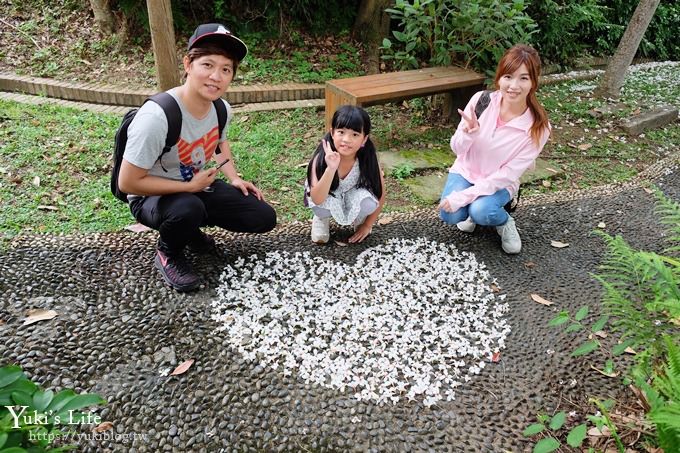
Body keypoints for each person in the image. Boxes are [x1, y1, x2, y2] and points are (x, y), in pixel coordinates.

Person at [118, 23, 276, 291]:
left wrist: (234, 178)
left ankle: (188, 229)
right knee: (188, 209)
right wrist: (189, 188)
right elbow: (128, 183)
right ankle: (169, 252)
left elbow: (220, 143)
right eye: (207, 65)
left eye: (226, 69)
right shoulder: (157, 117)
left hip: (195, 185)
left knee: (262, 216)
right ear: (188, 64)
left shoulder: (221, 109)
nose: (216, 76)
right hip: (151, 196)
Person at [439, 44, 550, 254]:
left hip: (500, 182)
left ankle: (505, 221)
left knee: (481, 211)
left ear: (533, 82)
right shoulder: (482, 101)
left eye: (523, 78)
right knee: (450, 215)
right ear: (499, 78)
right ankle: (471, 208)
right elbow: (456, 149)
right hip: (466, 171)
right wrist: (467, 134)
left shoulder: (538, 127)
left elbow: (508, 174)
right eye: (508, 76)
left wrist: (463, 197)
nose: (513, 86)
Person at [304, 105, 385, 244]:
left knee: (369, 202)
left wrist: (367, 225)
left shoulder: (367, 159)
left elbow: (380, 194)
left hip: (351, 193)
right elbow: (317, 199)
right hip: (327, 195)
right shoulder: (320, 159)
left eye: (355, 134)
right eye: (341, 132)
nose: (346, 139)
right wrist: (330, 169)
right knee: (320, 207)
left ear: (364, 139)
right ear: (332, 133)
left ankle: (359, 219)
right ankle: (321, 219)